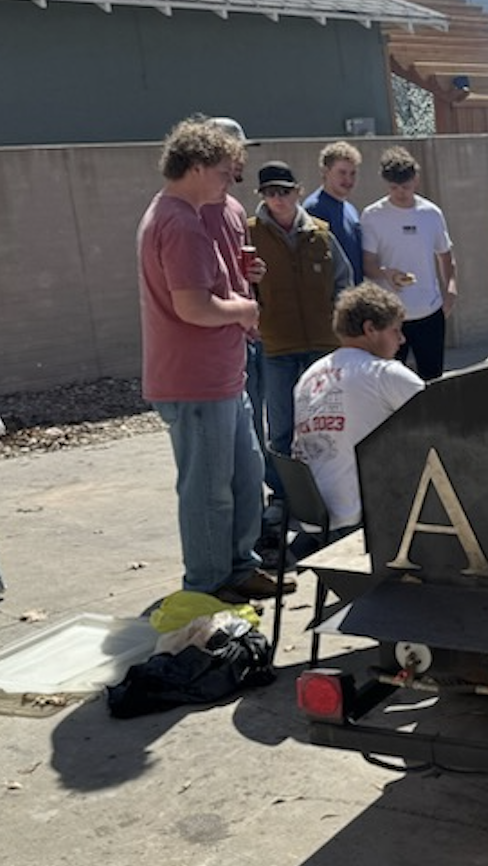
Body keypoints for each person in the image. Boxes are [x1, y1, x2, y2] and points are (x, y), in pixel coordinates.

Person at [137, 116, 294, 604]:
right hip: (194, 379)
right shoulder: (180, 222)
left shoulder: (194, 212)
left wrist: (242, 289)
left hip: (221, 373)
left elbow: (213, 287)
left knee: (243, 475)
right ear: (199, 166)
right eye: (227, 170)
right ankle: (205, 586)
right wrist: (247, 308)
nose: (234, 179)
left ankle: (237, 568)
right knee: (208, 491)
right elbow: (193, 307)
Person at [290, 282, 426, 555]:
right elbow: (444, 421)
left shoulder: (308, 376)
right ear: (369, 329)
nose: (401, 340)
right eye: (396, 331)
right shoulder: (383, 373)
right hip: (360, 520)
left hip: (314, 517)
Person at [201, 116, 283, 547]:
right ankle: (232, 552)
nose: (241, 160)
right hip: (219, 349)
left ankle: (252, 543)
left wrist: (254, 274)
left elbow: (237, 272)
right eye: (236, 151)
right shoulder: (193, 210)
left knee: (254, 446)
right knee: (228, 461)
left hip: (250, 338)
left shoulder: (234, 210)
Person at [247, 160, 353, 486]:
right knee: (280, 429)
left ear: (298, 192)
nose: (277, 199)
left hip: (322, 346)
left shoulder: (320, 234)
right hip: (276, 346)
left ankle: (327, 487)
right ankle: (282, 495)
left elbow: (343, 281)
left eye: (284, 191)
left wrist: (339, 322)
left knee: (325, 424)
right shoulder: (250, 234)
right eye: (270, 193)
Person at [360, 146, 457, 381]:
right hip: (390, 315)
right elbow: (368, 263)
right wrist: (387, 273)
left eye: (406, 186)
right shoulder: (373, 216)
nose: (401, 193)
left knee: (432, 380)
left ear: (416, 180)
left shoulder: (431, 213)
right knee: (389, 382)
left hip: (429, 311)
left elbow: (445, 255)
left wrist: (451, 291)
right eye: (394, 188)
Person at [303, 140, 366, 284]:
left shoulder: (350, 209)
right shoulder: (315, 208)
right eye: (342, 173)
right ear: (325, 172)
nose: (348, 179)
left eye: (353, 173)